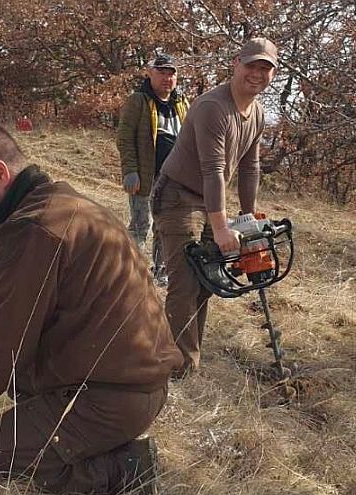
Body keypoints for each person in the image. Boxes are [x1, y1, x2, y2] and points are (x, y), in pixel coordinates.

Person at [0, 117, 182, 494]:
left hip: (103, 399)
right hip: (130, 391)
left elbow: (8, 349)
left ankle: (125, 469)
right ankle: (97, 451)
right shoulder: (68, 205)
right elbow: (29, 322)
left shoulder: (31, 228)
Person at [151, 37, 279, 377]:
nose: (257, 73)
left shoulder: (258, 113)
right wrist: (222, 227)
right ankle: (175, 368)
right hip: (178, 196)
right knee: (185, 283)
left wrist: (248, 218)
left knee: (207, 280)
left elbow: (250, 167)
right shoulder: (213, 107)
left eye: (265, 68)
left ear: (273, 74)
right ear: (236, 63)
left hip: (209, 198)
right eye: (251, 65)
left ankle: (187, 359)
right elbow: (214, 169)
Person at [117, 54, 189, 286]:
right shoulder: (138, 100)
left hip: (173, 179)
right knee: (140, 225)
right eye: (162, 72)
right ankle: (128, 271)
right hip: (145, 175)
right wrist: (130, 171)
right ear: (150, 74)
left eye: (172, 73)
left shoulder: (182, 103)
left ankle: (161, 273)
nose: (167, 78)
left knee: (165, 227)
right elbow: (125, 137)